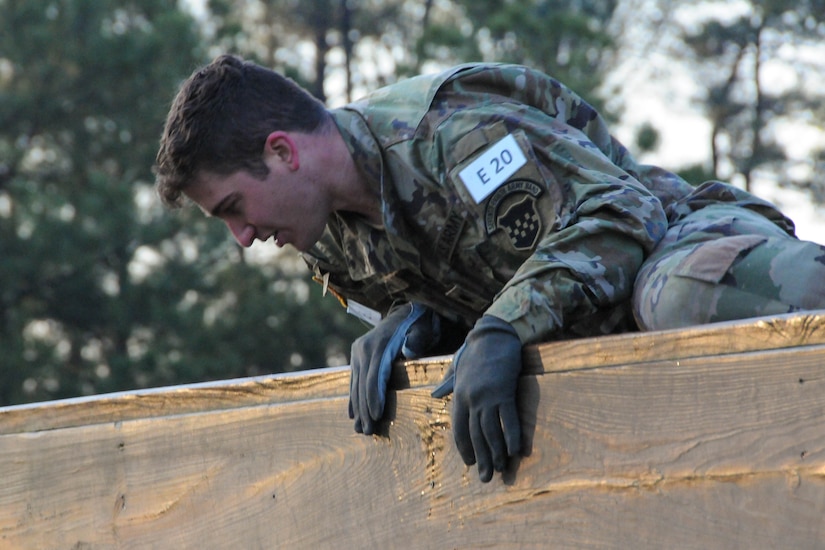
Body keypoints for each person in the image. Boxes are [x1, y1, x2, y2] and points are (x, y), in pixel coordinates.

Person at [154, 55, 825, 483]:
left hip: (674, 241)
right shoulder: (327, 240)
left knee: (675, 298)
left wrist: (502, 327)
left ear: (282, 151)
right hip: (599, 337)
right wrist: (422, 323)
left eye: (235, 208)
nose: (242, 237)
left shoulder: (450, 137)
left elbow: (625, 216)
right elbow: (475, 284)